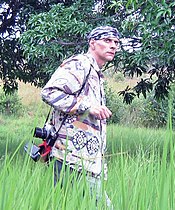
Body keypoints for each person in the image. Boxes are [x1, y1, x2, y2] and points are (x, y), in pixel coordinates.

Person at [40, 26, 120, 208]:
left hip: (85, 160)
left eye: (116, 43)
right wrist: (87, 107)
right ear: (92, 43)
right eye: (107, 41)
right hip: (71, 158)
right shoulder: (80, 64)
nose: (113, 46)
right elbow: (49, 92)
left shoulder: (96, 73)